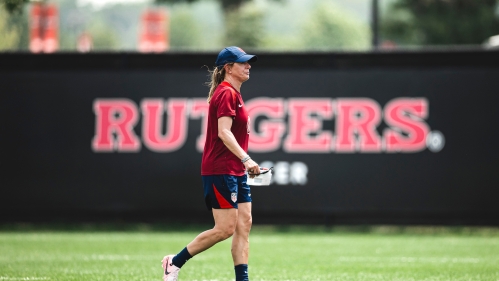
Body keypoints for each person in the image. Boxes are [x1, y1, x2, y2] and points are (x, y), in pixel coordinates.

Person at [162, 46, 261, 281]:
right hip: (221, 169)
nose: (248, 66)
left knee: (244, 224)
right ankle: (174, 262)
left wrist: (244, 163)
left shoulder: (233, 93)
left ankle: (242, 279)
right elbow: (224, 133)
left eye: (248, 62)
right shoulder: (226, 93)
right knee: (225, 228)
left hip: (234, 169)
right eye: (242, 63)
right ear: (228, 68)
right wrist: (246, 159)